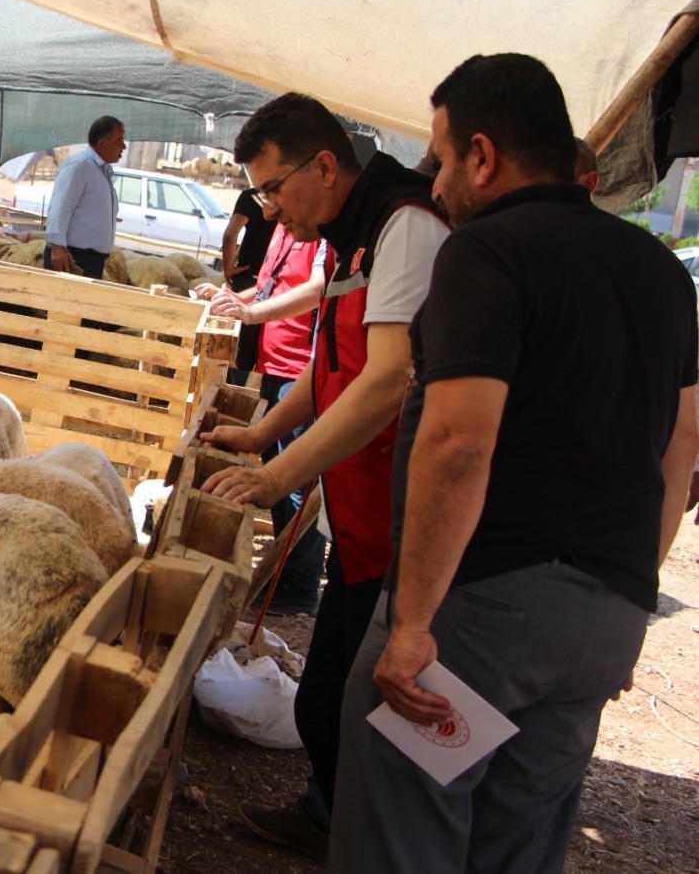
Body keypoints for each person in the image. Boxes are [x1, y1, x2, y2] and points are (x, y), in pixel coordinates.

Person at [330, 53, 699, 874]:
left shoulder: (486, 255)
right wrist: (633, 593)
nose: (432, 182)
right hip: (600, 620)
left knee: (406, 830)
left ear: (483, 155)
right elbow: (682, 447)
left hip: (480, 615)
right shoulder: (662, 273)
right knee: (518, 846)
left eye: (440, 157)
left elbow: (460, 441)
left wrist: (412, 623)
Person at [197, 92, 449, 859]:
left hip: (405, 522)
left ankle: (366, 838)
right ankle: (330, 817)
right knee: (331, 697)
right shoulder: (355, 234)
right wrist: (265, 431)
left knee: (359, 703)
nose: (268, 210)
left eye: (272, 188)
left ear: (325, 166)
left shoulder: (404, 228)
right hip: (362, 512)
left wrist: (276, 479)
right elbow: (333, 364)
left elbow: (385, 381)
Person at [196, 223, 330, 614]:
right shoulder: (285, 227)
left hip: (298, 369)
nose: (270, 208)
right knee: (276, 462)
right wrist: (235, 300)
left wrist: (250, 312)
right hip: (272, 363)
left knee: (296, 479)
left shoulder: (322, 233)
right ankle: (284, 574)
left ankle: (300, 584)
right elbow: (276, 285)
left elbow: (317, 288)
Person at [44, 116, 125, 279]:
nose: (123, 146)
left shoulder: (100, 171)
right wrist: (57, 245)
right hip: (72, 258)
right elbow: (60, 206)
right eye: (119, 140)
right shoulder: (79, 166)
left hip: (90, 260)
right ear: (102, 143)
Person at [219, 190, 274, 386]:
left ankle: (231, 393)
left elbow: (229, 235)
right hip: (273, 283)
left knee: (238, 346)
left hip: (247, 279)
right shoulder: (290, 198)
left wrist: (228, 268)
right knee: (254, 347)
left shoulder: (251, 196)